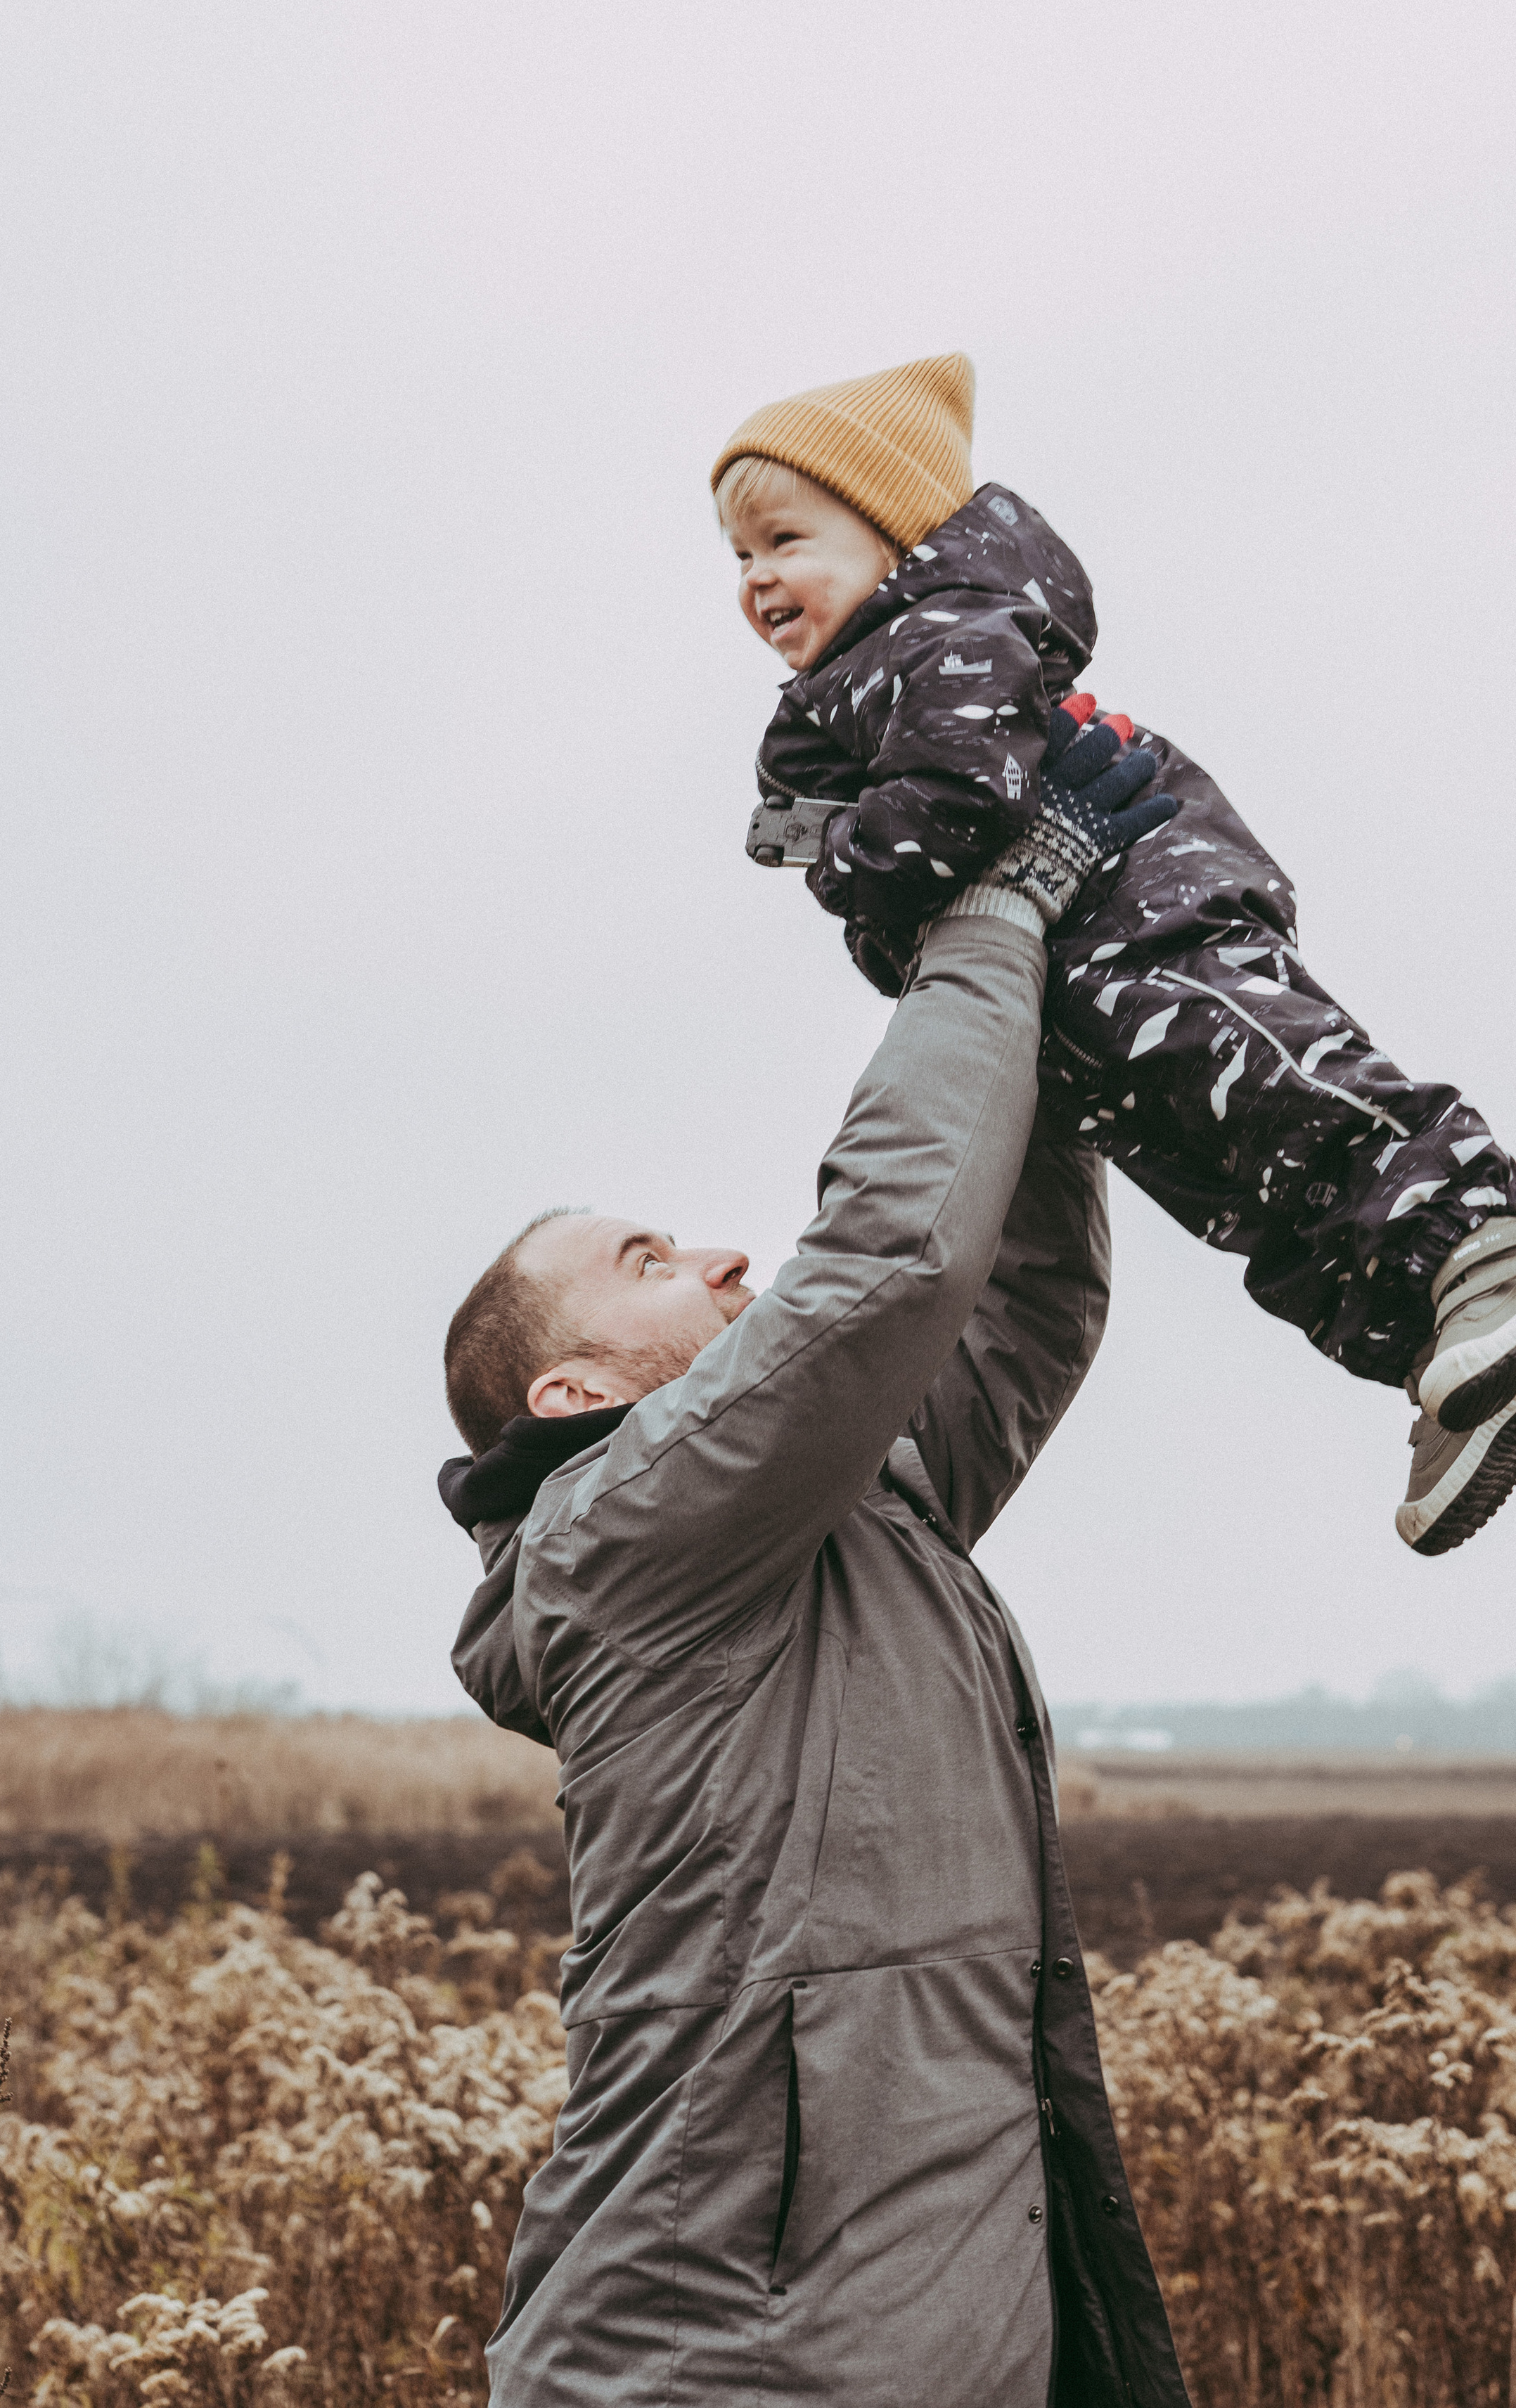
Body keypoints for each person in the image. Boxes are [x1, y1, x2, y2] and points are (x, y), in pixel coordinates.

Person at [439, 726, 1193, 2407]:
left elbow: (1018, 1295)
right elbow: (889, 1261)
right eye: (648, 1260)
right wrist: (993, 914)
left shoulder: (862, 1507)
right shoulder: (621, 1533)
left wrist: (1021, 989)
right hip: (716, 2366)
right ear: (572, 1396)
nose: (721, 1256)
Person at [713, 352, 1516, 1558]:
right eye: (739, 556)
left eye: (785, 540)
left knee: (1268, 1078)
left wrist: (846, 860)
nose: (758, 577)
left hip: (1135, 910)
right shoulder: (853, 691)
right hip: (1067, 993)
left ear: (898, 535)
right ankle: (1442, 1362)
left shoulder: (945, 633)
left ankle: (1480, 1242)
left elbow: (954, 801)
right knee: (1230, 1186)